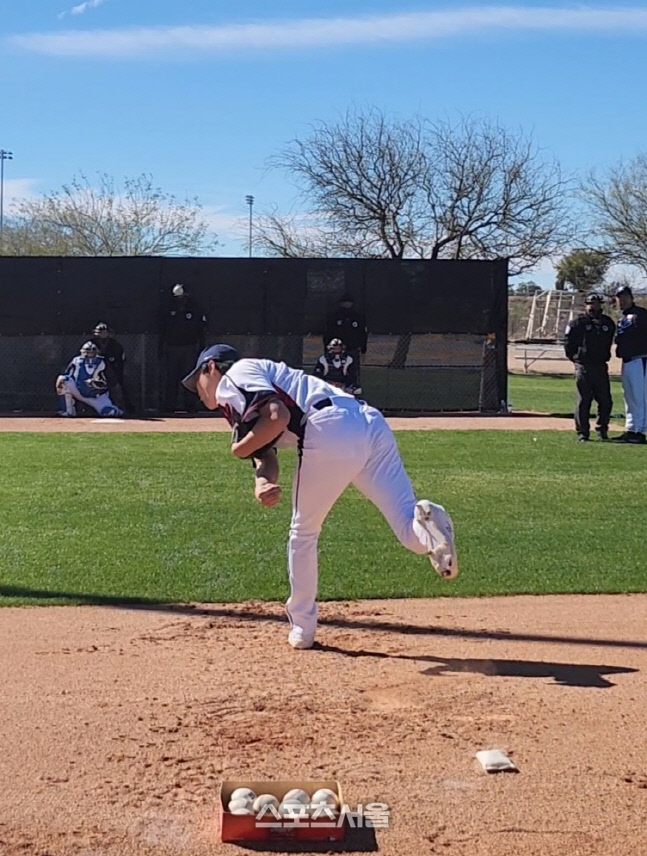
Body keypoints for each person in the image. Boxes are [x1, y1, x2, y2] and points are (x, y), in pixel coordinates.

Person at [181, 343, 459, 650]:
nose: (198, 390)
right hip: (368, 422)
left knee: (303, 533)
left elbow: (277, 416)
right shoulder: (242, 400)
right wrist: (262, 483)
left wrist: (237, 450)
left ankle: (303, 626)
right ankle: (429, 518)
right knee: (410, 529)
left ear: (211, 367)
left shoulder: (238, 373)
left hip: (328, 426)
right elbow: (265, 453)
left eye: (198, 380)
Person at [563, 293, 615, 441]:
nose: (594, 306)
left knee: (605, 400)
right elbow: (568, 343)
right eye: (591, 303)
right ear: (585, 305)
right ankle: (583, 432)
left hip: (600, 366)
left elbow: (609, 341)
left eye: (597, 303)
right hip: (583, 366)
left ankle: (602, 429)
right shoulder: (577, 323)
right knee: (584, 400)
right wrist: (576, 358)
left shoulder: (607, 323)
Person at [159, 283, 208, 413]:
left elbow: (201, 329)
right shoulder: (168, 309)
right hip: (172, 347)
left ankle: (190, 405)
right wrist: (161, 346)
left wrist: (201, 347)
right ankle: (169, 405)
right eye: (178, 297)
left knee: (189, 377)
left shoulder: (195, 309)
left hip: (189, 347)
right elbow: (162, 329)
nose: (181, 300)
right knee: (171, 378)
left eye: (183, 297)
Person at [611, 284, 647, 444]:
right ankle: (631, 428)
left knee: (640, 396)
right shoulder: (622, 318)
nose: (622, 300)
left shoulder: (640, 314)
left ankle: (639, 430)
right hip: (627, 360)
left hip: (640, 359)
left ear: (631, 298)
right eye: (619, 297)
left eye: (625, 297)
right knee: (629, 396)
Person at [55, 342, 123, 417]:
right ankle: (67, 410)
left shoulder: (102, 362)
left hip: (97, 396)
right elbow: (67, 374)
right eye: (87, 353)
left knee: (109, 412)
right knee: (63, 380)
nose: (90, 355)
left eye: (92, 353)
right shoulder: (76, 361)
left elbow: (112, 382)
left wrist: (98, 383)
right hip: (79, 390)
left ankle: (117, 411)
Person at [89, 322, 135, 415]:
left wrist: (116, 372)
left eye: (104, 332)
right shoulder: (91, 344)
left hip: (112, 370)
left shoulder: (115, 345)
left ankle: (121, 408)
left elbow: (121, 360)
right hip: (93, 371)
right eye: (99, 332)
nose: (102, 334)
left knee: (119, 387)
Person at [322, 293, 368, 384]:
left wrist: (363, 350)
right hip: (336, 351)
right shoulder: (334, 317)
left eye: (348, 302)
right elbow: (328, 334)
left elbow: (363, 334)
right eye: (345, 302)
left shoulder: (358, 317)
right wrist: (327, 349)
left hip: (352, 350)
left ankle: (352, 388)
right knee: (336, 373)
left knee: (352, 373)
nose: (347, 304)